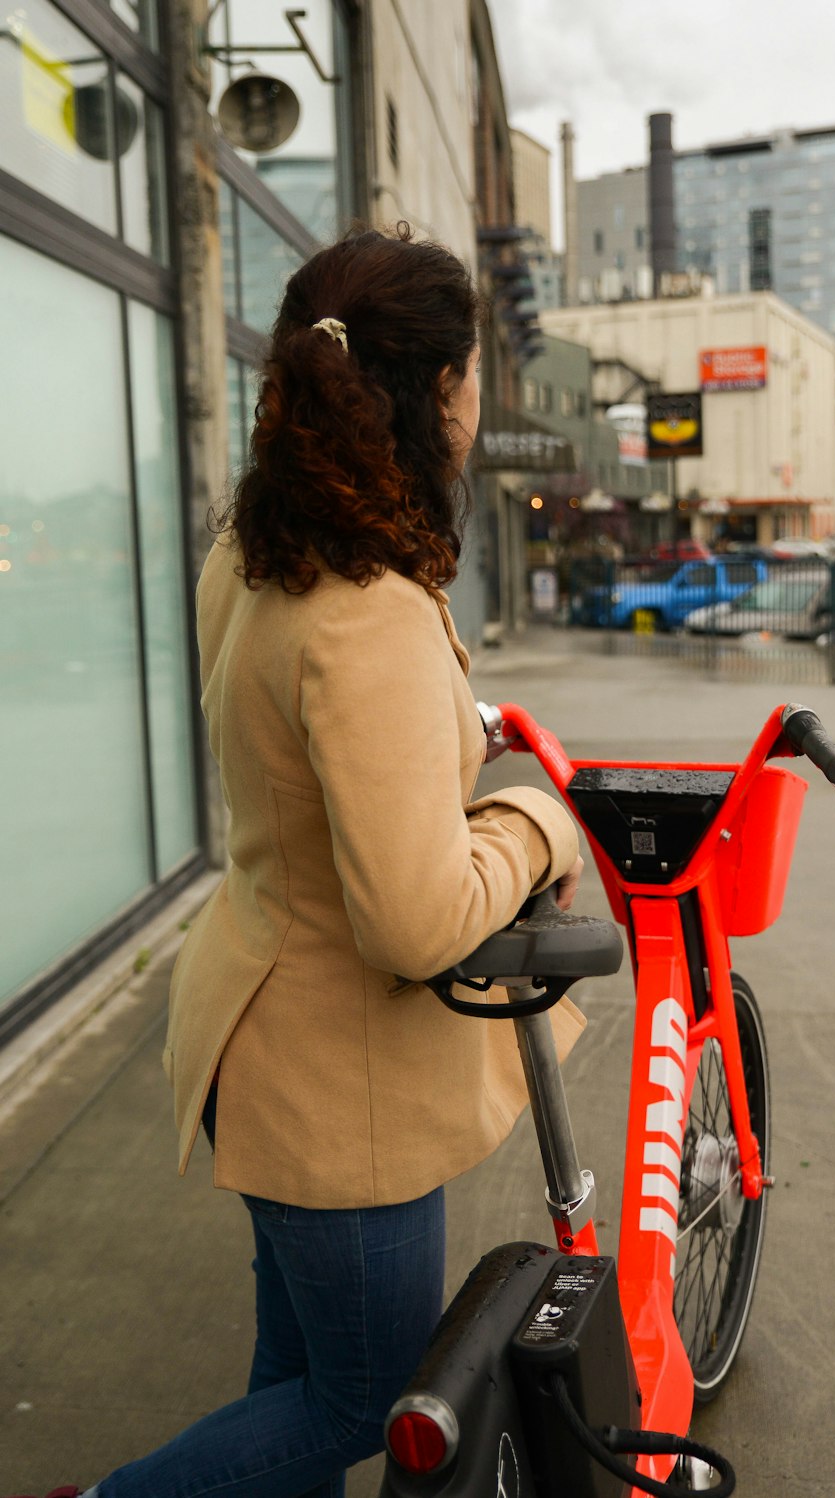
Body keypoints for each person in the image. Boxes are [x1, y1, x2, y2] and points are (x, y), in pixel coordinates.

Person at [22, 225, 583, 1498]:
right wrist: (537, 822)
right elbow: (415, 916)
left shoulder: (262, 548)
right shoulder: (369, 598)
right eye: (476, 374)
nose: (480, 399)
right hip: (342, 1080)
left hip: (257, 1034)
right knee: (362, 1403)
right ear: (438, 392)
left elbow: (303, 736)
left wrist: (451, 736)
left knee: (295, 1374)